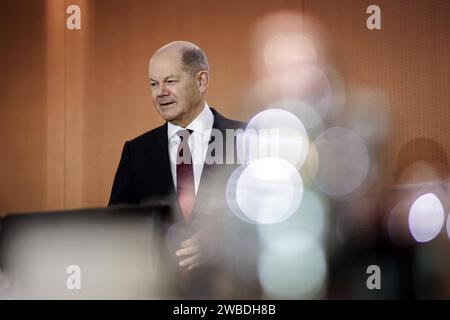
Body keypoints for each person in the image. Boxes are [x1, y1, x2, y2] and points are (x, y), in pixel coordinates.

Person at [108, 41, 247, 291]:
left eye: (170, 81)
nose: (160, 92)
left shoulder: (244, 139)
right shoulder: (136, 151)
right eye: (153, 84)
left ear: (201, 81)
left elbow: (271, 220)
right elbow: (118, 229)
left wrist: (222, 241)